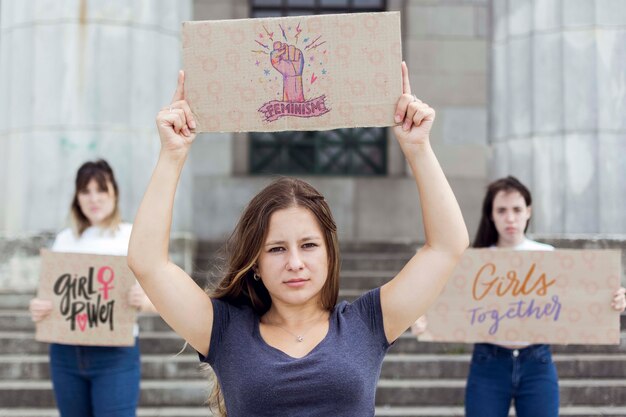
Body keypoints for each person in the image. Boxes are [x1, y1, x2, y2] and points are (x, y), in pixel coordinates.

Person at [127, 63, 469, 417]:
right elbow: (147, 263)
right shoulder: (224, 331)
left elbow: (448, 247)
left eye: (308, 245)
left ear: (329, 254)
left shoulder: (366, 323)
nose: (295, 262)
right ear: (255, 263)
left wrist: (418, 149)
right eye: (276, 248)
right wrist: (172, 154)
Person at [462, 176, 626, 417]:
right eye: (502, 210)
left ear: (528, 211)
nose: (510, 218)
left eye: (517, 209)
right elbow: (456, 305)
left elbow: (576, 303)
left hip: (536, 362)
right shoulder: (473, 262)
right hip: (488, 362)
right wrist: (427, 318)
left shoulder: (549, 256)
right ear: (491, 214)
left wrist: (613, 301)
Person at [29, 159, 156, 417]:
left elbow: (161, 298)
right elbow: (56, 297)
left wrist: (144, 301)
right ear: (77, 197)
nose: (93, 198)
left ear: (114, 193)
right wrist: (40, 308)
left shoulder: (131, 236)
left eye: (101, 190)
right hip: (65, 353)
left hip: (116, 353)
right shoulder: (65, 239)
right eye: (85, 191)